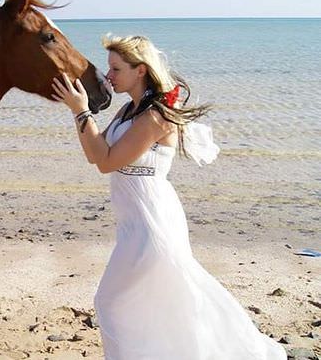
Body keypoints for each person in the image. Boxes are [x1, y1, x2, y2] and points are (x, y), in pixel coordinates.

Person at [51, 34, 286, 360]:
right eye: (109, 69)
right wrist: (79, 112)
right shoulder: (127, 111)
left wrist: (81, 113)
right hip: (133, 224)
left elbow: (106, 162)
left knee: (112, 301)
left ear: (141, 71)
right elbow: (96, 154)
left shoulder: (156, 116)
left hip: (153, 224)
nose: (109, 77)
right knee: (163, 304)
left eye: (117, 69)